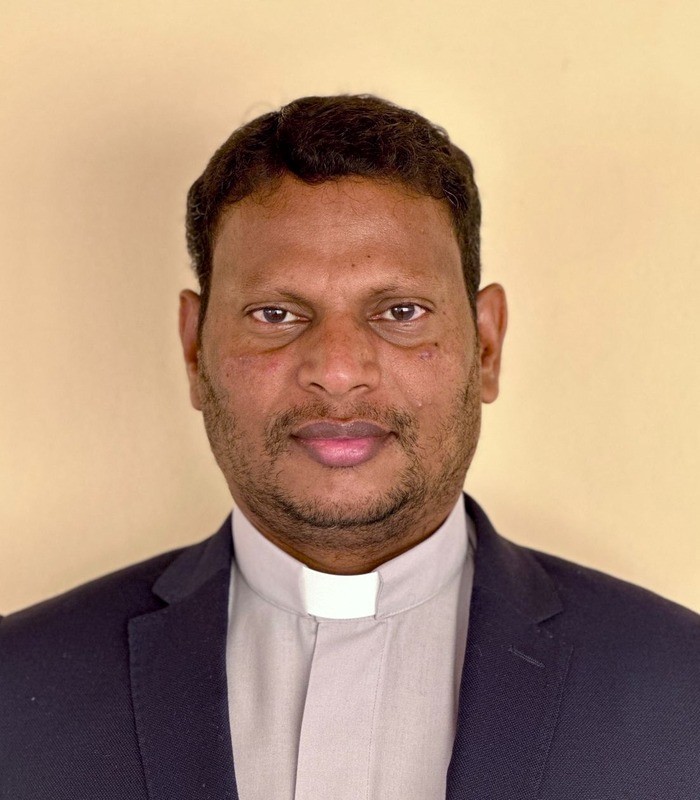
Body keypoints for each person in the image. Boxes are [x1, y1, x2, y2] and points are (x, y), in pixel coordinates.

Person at [1, 95, 698, 800]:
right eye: (276, 313)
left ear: (486, 346)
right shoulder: (17, 686)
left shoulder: (682, 688)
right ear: (194, 351)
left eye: (401, 312)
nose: (337, 371)